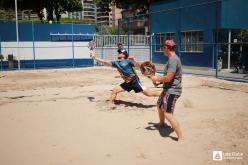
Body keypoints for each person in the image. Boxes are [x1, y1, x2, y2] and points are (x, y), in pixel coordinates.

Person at [89, 48, 160, 103]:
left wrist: (134, 60)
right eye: (119, 52)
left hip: (134, 81)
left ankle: (163, 94)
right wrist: (94, 57)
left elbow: (138, 65)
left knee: (148, 94)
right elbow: (104, 61)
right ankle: (110, 104)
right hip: (127, 83)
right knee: (114, 91)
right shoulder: (116, 63)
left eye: (120, 52)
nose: (119, 53)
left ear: (124, 55)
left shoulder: (128, 61)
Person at [148, 40, 183, 141]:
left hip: (173, 90)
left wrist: (156, 78)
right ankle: (162, 124)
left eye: (163, 47)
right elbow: (169, 78)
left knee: (168, 113)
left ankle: (181, 137)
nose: (162, 49)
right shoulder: (171, 59)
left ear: (166, 48)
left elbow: (168, 78)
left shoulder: (173, 60)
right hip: (167, 89)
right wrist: (158, 82)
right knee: (159, 106)